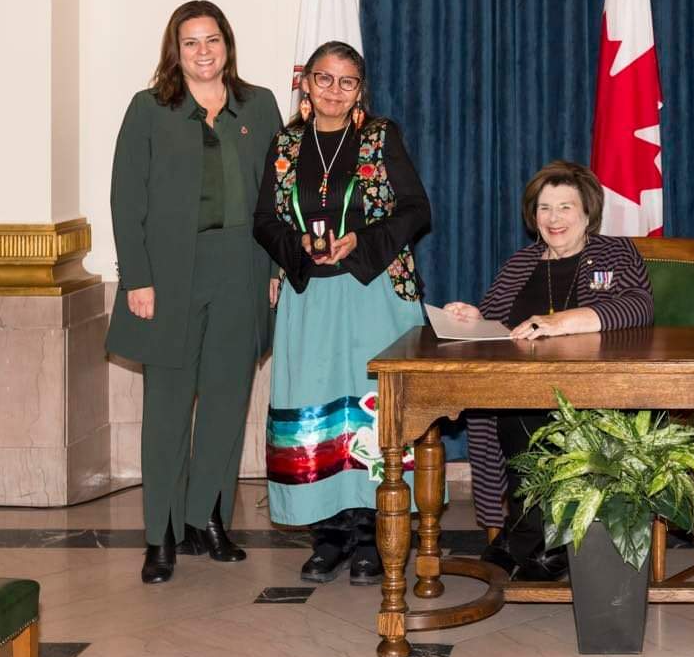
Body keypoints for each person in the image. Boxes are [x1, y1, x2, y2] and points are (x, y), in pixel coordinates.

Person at [105, 0, 283, 584]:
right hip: (170, 274)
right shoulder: (149, 109)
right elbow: (126, 201)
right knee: (167, 408)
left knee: (228, 403)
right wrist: (137, 279)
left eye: (212, 40)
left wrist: (279, 268)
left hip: (244, 268)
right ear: (174, 51)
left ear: (227, 44)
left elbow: (278, 197)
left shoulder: (259, 105)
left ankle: (207, 518)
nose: (203, 51)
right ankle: (160, 535)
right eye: (190, 42)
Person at [253, 41, 430, 586]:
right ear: (305, 84)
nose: (333, 90)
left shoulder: (380, 137)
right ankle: (327, 536)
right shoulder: (284, 145)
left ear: (360, 91)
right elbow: (264, 220)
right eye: (323, 79)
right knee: (316, 412)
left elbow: (417, 210)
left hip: (374, 291)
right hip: (311, 299)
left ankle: (375, 533)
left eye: (346, 82)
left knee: (372, 414)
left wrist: (360, 241)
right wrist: (297, 246)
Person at [447, 161, 654, 581]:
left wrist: (562, 321)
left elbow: (638, 306)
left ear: (587, 213)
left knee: (530, 415)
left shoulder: (614, 253)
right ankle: (531, 533)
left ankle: (537, 535)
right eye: (544, 208)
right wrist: (472, 319)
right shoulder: (520, 263)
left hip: (592, 390)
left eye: (565, 207)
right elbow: (496, 327)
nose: (554, 219)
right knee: (512, 409)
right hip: (520, 388)